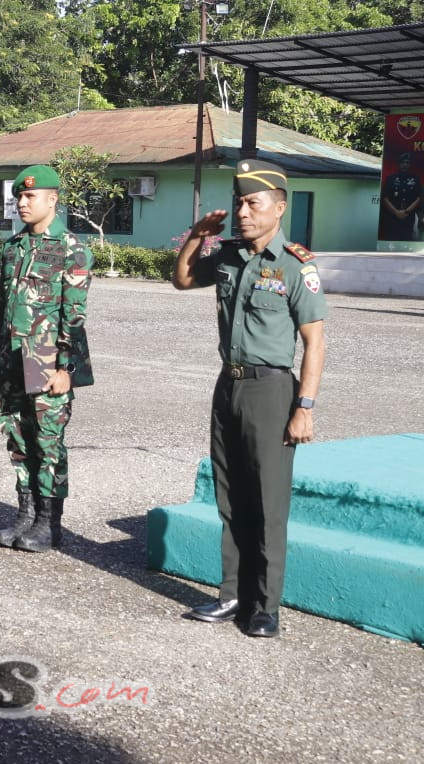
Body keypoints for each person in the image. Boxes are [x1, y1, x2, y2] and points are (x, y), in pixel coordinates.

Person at [173, 159, 327, 638]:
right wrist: (198, 236)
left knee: (267, 501)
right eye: (239, 202)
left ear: (278, 208)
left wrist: (304, 407)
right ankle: (232, 594)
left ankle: (265, 606)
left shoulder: (297, 265)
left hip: (272, 389)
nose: (242, 211)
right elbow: (181, 279)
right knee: (230, 494)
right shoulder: (229, 255)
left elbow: (315, 342)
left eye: (252, 203)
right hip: (229, 385)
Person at [0, 165, 93, 553]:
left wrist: (67, 367)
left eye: (30, 196)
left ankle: (49, 523)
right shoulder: (13, 248)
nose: (22, 202)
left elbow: (75, 314)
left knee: (48, 442)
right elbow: (2, 309)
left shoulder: (71, 249)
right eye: (19, 196)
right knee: (17, 436)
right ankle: (25, 514)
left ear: (52, 199)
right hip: (12, 360)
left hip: (47, 362)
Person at [380, 152, 420, 241]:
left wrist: (406, 211)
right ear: (398, 164)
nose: (405, 165)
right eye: (403, 162)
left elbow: (419, 198)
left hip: (408, 216)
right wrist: (396, 212)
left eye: (407, 162)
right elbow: (385, 197)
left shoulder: (415, 178)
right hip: (392, 216)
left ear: (410, 164)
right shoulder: (391, 178)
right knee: (391, 239)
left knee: (407, 240)